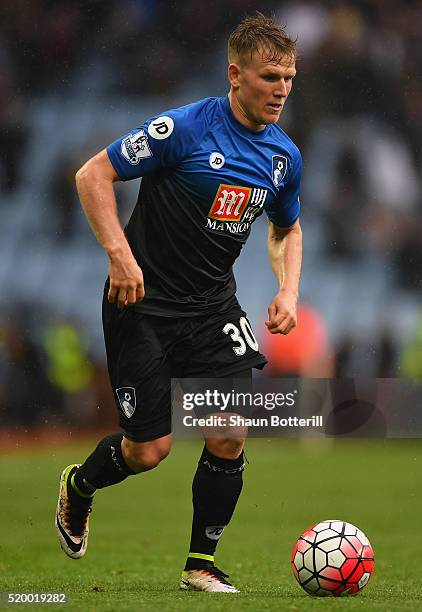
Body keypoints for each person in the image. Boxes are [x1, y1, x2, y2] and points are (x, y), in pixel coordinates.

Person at [55, 12, 302, 593]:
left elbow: (286, 228)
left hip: (214, 309)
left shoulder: (284, 156)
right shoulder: (183, 129)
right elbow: (93, 175)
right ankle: (79, 487)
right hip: (141, 305)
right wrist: (119, 254)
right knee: (149, 451)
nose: (283, 89)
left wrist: (289, 289)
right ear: (235, 75)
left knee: (229, 429)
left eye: (290, 77)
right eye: (271, 77)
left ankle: (200, 564)